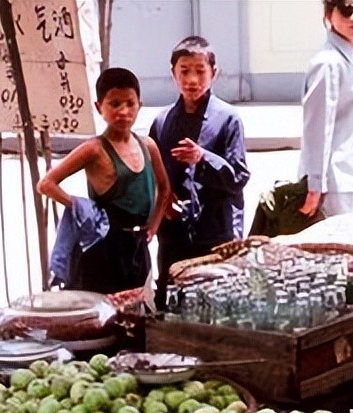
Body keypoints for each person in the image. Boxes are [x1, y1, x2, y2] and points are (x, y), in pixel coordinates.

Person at [37, 67, 169, 294]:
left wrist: (154, 227)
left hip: (137, 247)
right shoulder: (94, 149)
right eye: (114, 104)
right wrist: (80, 207)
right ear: (99, 107)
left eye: (130, 103)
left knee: (139, 311)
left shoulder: (148, 146)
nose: (123, 111)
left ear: (140, 105)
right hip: (104, 247)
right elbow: (46, 184)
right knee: (103, 316)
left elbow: (165, 189)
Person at [148, 36, 249, 303]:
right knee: (171, 298)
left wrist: (203, 157)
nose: (192, 80)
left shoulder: (228, 119)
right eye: (184, 71)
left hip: (216, 230)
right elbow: (154, 175)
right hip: (175, 233)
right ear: (173, 74)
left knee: (218, 301)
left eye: (200, 71)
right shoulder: (162, 122)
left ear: (213, 74)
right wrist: (164, 200)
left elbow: (238, 177)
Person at [298, 0, 353, 220]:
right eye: (346, 9)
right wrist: (314, 185)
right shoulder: (328, 63)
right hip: (334, 185)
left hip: (351, 181)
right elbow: (318, 129)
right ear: (330, 14)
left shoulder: (352, 58)